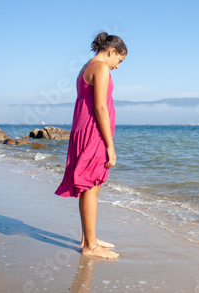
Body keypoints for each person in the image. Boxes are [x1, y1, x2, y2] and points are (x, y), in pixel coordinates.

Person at [55, 32, 127, 259]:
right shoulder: (101, 67)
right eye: (119, 61)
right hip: (93, 133)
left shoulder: (87, 66)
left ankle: (89, 238)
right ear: (111, 52)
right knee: (91, 188)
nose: (117, 67)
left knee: (89, 187)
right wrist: (110, 145)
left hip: (83, 130)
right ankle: (90, 246)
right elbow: (100, 108)